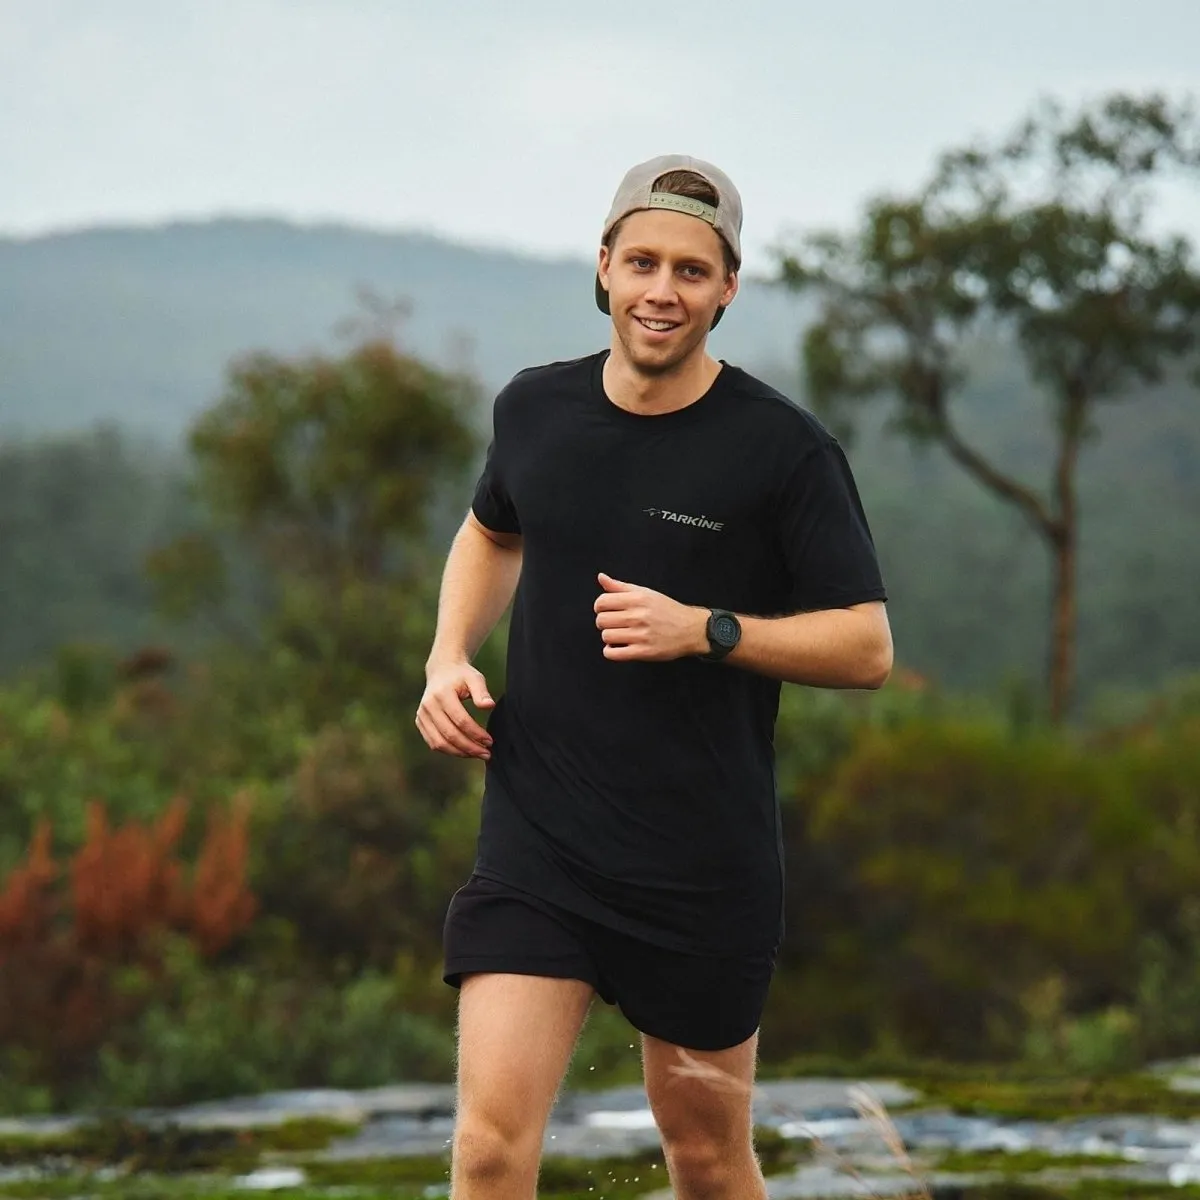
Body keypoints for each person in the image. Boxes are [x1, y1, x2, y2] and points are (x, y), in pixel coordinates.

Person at [416, 154, 892, 1200]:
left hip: (701, 868)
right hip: (537, 842)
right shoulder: (535, 409)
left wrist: (709, 630)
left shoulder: (783, 451)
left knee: (708, 1161)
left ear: (728, 286)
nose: (661, 291)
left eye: (690, 269)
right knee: (491, 1151)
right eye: (642, 262)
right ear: (603, 266)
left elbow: (867, 647)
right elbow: (492, 533)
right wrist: (448, 655)